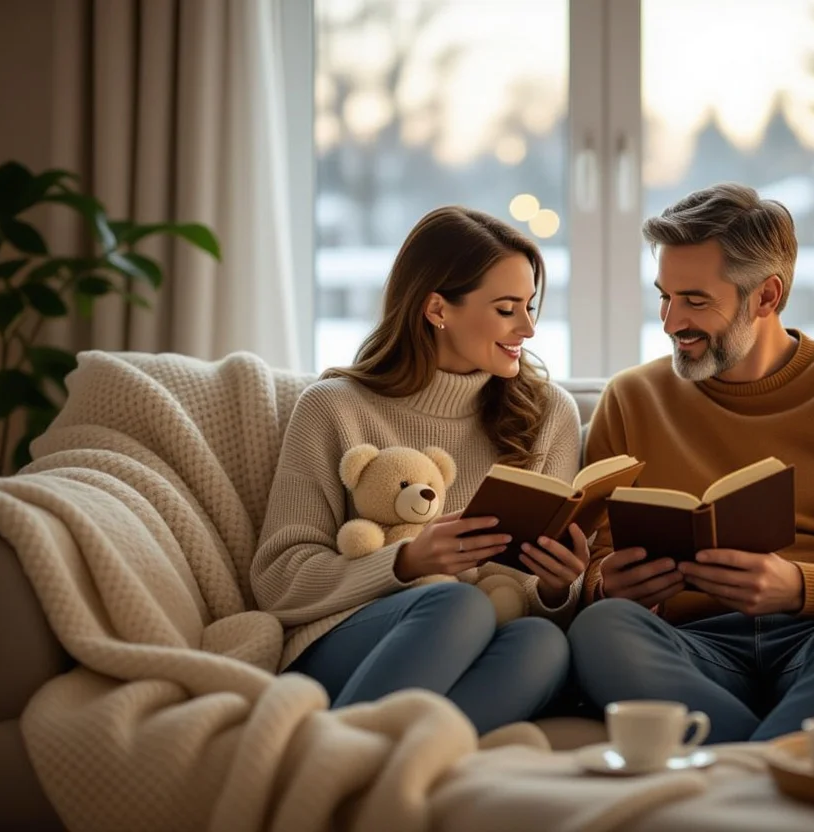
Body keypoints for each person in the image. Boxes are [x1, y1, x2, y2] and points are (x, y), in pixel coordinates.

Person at [567, 183, 814, 743]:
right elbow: (598, 559)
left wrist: (802, 586)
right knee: (603, 627)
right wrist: (607, 585)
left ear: (766, 296)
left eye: (695, 300)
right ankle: (779, 772)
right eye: (664, 296)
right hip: (695, 649)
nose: (669, 322)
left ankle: (734, 778)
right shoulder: (632, 398)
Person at [253, 206, 591, 735]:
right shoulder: (334, 408)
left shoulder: (550, 415)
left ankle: (383, 774)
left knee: (542, 643)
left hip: (483, 636)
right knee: (458, 605)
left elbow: (527, 598)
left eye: (529, 306)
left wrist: (555, 588)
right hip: (348, 640)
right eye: (507, 309)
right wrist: (406, 561)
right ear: (438, 308)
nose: (528, 327)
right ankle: (341, 759)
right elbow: (278, 579)